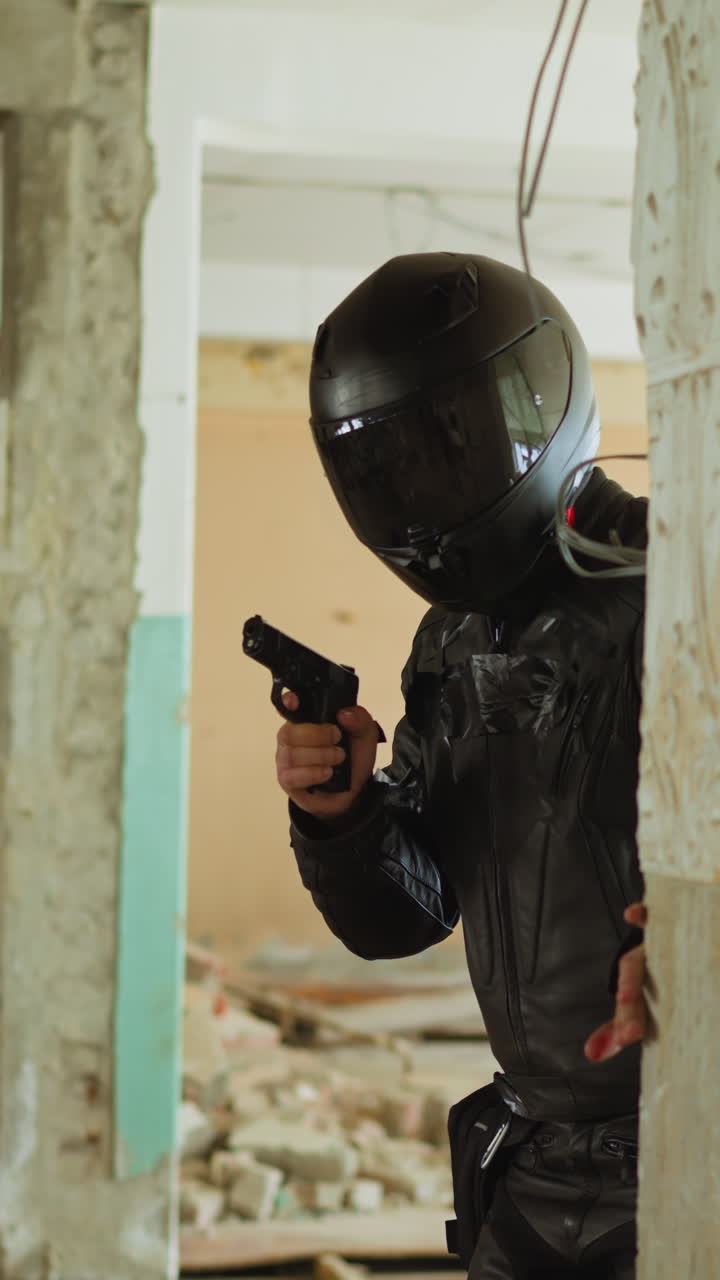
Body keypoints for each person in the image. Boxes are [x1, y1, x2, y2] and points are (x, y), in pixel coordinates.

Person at [273, 252, 649, 1279]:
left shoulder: (679, 587)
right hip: (533, 1169)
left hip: (686, 1152)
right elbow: (408, 916)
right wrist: (344, 814)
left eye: (447, 450)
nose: (420, 495)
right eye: (388, 465)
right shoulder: (451, 642)